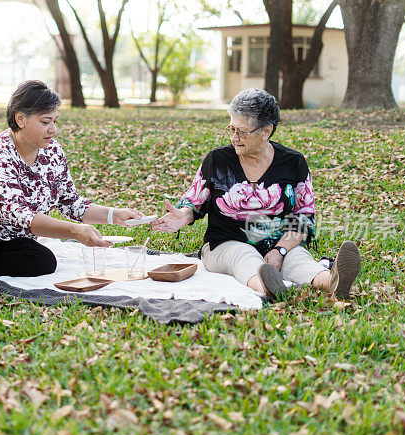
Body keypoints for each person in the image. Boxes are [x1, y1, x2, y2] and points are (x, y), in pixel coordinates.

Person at [151, 88, 360, 299]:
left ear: (266, 131)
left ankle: (333, 282)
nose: (234, 137)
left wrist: (280, 251)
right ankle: (269, 287)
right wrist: (183, 215)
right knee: (243, 256)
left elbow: (304, 217)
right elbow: (194, 203)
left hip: (279, 243)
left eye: (242, 132)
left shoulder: (293, 162)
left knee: (298, 260)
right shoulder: (218, 160)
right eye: (231, 129)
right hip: (226, 244)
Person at [0, 80, 142, 277]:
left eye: (55, 121)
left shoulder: (52, 151)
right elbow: (21, 215)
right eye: (45, 122)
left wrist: (114, 215)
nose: (53, 129)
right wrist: (75, 231)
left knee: (43, 261)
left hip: (13, 236)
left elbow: (72, 202)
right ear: (21, 119)